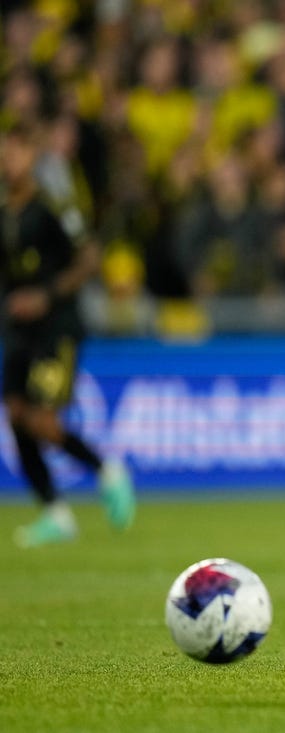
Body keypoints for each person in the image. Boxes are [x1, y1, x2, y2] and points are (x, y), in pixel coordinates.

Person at [0, 122, 136, 548]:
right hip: (19, 330)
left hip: (57, 328)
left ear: (31, 156)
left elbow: (90, 257)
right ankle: (56, 514)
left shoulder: (54, 206)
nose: (7, 160)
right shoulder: (5, 211)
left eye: (14, 151)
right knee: (17, 415)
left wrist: (47, 295)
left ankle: (107, 468)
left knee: (40, 419)